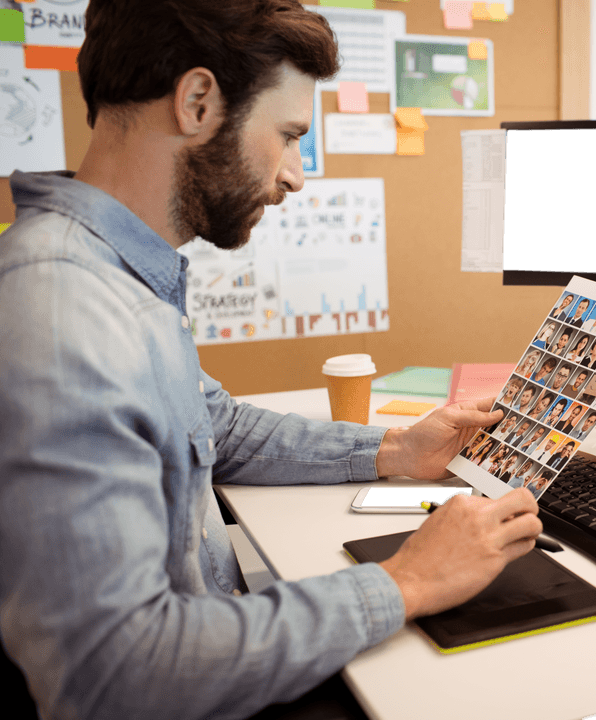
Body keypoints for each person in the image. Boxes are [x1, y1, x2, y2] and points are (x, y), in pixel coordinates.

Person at [0, 3, 544, 719]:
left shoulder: (115, 273)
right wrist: (407, 581)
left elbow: (211, 425)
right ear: (198, 103)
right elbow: (114, 674)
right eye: (288, 137)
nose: (295, 178)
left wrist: (394, 449)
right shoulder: (65, 311)